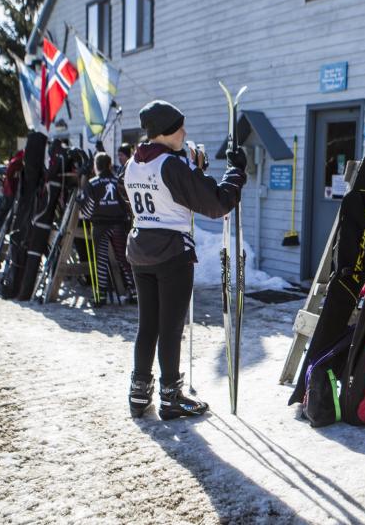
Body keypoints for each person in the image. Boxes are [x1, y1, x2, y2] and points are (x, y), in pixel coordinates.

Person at [124, 100, 247, 419]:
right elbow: (216, 204)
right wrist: (236, 173)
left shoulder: (135, 162)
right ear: (166, 132)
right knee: (170, 327)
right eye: (180, 127)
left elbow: (170, 192)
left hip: (141, 249)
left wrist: (193, 170)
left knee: (147, 325)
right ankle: (170, 396)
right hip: (171, 253)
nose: (185, 132)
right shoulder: (172, 165)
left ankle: (139, 394)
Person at [78, 152, 136, 305]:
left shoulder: (92, 183)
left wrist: (82, 207)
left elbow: (88, 211)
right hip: (118, 224)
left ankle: (101, 295)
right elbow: (127, 204)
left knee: (101, 260)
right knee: (124, 258)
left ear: (96, 167)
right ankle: (134, 292)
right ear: (110, 165)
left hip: (100, 226)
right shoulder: (119, 181)